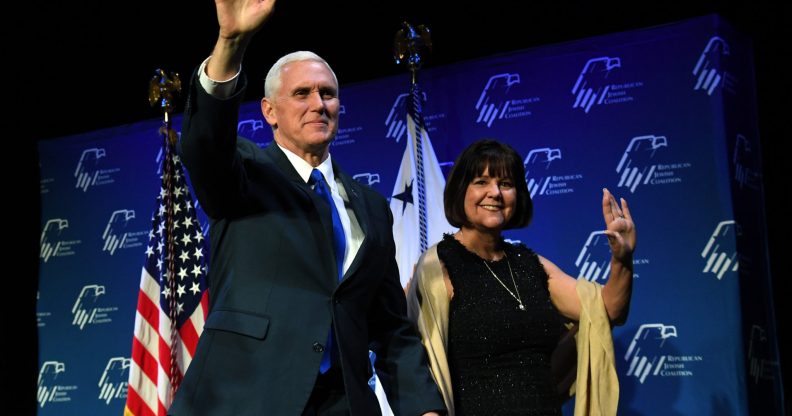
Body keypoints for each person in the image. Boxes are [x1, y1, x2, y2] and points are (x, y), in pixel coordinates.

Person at [169, 1, 445, 415]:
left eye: (328, 93)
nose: (319, 103)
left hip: (344, 403)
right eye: (302, 93)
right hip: (244, 397)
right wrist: (230, 43)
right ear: (269, 111)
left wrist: (424, 408)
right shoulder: (244, 173)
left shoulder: (371, 207)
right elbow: (204, 145)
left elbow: (388, 326)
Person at [406, 140, 636, 416]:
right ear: (460, 191)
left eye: (505, 183)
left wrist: (621, 259)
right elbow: (415, 369)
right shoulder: (436, 268)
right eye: (481, 181)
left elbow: (607, 310)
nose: (495, 193)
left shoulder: (531, 265)